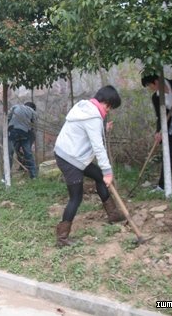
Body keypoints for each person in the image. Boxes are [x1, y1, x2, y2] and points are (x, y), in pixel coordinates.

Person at [54, 85, 125, 247]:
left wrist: (103, 129)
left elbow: (85, 131)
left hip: (71, 154)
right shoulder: (93, 116)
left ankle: (113, 214)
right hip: (70, 159)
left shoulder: (84, 107)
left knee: (99, 177)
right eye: (109, 107)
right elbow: (98, 147)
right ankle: (62, 238)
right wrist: (108, 171)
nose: (108, 111)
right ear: (105, 102)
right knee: (76, 197)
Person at [8, 102, 37, 179]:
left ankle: (6, 176)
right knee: (28, 153)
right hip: (24, 133)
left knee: (9, 153)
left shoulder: (15, 106)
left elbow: (8, 117)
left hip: (13, 131)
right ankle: (34, 176)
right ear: (33, 108)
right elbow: (33, 126)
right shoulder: (32, 111)